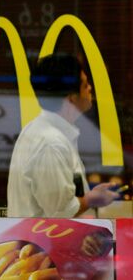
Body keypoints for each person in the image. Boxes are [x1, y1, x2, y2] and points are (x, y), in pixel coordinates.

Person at [7, 53, 118, 217]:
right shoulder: (50, 143)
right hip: (46, 242)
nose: (90, 89)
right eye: (85, 84)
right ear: (71, 98)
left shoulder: (48, 133)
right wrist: (92, 199)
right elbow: (61, 213)